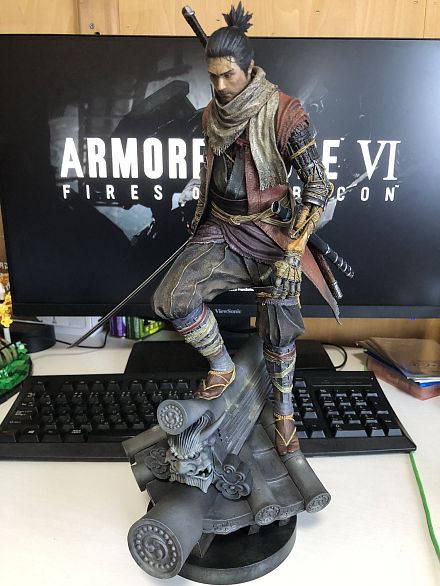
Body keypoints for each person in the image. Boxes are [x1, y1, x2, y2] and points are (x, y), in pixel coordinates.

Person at [152, 3, 337, 456]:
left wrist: (293, 253)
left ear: (249, 68)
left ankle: (284, 414)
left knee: (278, 328)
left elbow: (319, 185)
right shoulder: (211, 114)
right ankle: (223, 366)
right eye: (213, 76)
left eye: (228, 75)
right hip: (222, 230)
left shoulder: (285, 114)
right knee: (170, 299)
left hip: (273, 237)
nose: (219, 86)